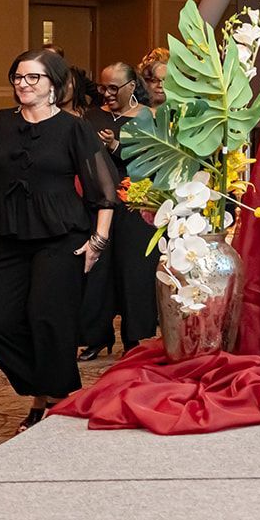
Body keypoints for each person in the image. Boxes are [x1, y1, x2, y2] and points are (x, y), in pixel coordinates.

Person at [0, 50, 120, 432]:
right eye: (18, 77)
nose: (24, 83)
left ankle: (45, 402)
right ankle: (54, 392)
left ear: (54, 84)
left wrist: (98, 241)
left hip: (62, 236)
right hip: (11, 235)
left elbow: (104, 190)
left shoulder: (73, 128)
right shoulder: (0, 124)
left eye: (33, 77)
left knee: (47, 319)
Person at [78, 63, 159, 359]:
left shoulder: (149, 117)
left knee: (134, 270)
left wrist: (115, 146)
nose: (107, 93)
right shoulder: (91, 116)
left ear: (131, 86)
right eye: (103, 87)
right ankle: (96, 336)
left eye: (114, 88)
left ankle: (134, 339)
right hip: (98, 202)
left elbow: (152, 160)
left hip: (135, 202)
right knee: (97, 270)